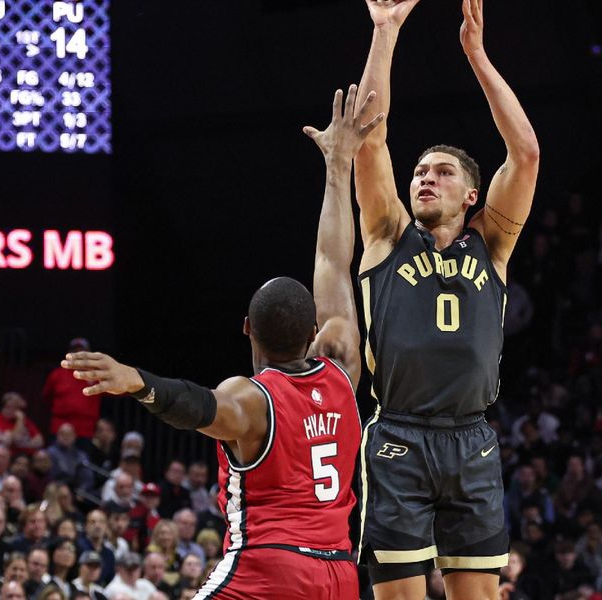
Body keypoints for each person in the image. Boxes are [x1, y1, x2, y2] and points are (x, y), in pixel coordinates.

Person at [62, 85, 377, 599]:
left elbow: (196, 406)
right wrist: (338, 165)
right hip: (339, 575)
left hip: (267, 568)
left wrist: (136, 381)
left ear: (247, 328)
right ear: (314, 328)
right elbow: (332, 260)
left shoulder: (252, 400)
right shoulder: (341, 362)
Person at [352, 0, 540, 597]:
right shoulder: (387, 236)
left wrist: (478, 56)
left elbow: (527, 154)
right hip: (398, 435)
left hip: (471, 438)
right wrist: (384, 33)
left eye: (441, 172)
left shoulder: (494, 244)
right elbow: (369, 139)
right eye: (419, 171)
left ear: (470, 195)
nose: (424, 177)